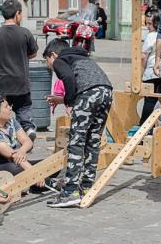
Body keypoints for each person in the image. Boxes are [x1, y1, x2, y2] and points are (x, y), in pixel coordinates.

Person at [43, 38, 113, 207]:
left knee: (76, 141)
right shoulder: (83, 58)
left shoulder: (60, 60)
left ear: (52, 55)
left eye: (47, 61)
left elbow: (68, 78)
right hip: (106, 91)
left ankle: (71, 191)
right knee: (93, 140)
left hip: (88, 94)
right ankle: (87, 186)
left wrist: (69, 101)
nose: (50, 66)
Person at [0, 0, 38, 142]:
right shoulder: (25, 33)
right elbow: (33, 54)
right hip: (21, 82)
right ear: (17, 14)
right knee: (23, 109)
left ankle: (0, 139)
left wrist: (0, 58)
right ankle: (28, 129)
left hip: (1, 83)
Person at [139, 10, 161, 125]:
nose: (148, 26)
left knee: (149, 101)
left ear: (156, 23)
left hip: (150, 72)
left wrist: (142, 71)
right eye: (146, 23)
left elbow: (143, 56)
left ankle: (144, 124)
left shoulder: (150, 36)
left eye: (150, 23)